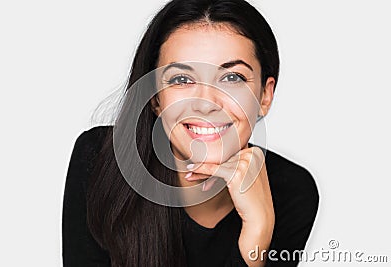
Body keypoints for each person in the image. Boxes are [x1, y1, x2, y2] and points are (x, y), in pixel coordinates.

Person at [62, 0, 319, 266]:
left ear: (265, 96)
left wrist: (257, 232)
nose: (206, 104)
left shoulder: (291, 191)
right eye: (181, 79)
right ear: (156, 98)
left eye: (232, 78)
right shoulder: (101, 158)